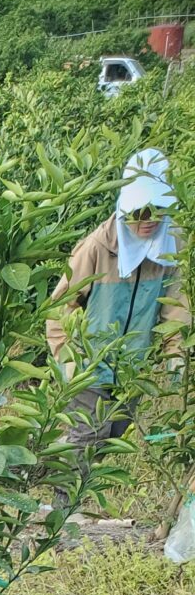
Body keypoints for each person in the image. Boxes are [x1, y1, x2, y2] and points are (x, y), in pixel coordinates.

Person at [46, 148, 188, 426]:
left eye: (158, 209)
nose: (149, 218)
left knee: (113, 437)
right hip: (89, 366)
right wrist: (67, 358)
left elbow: (177, 307)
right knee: (86, 438)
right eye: (140, 210)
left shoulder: (172, 244)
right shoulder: (98, 247)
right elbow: (60, 305)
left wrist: (176, 355)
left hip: (131, 370)